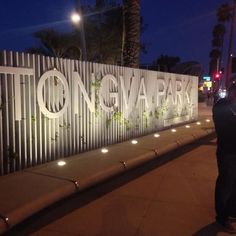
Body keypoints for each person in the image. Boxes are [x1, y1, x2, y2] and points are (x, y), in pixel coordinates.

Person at [213, 83, 236, 233]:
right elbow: (224, 129)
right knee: (225, 184)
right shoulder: (222, 106)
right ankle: (222, 217)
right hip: (227, 151)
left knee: (234, 185)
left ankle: (231, 211)